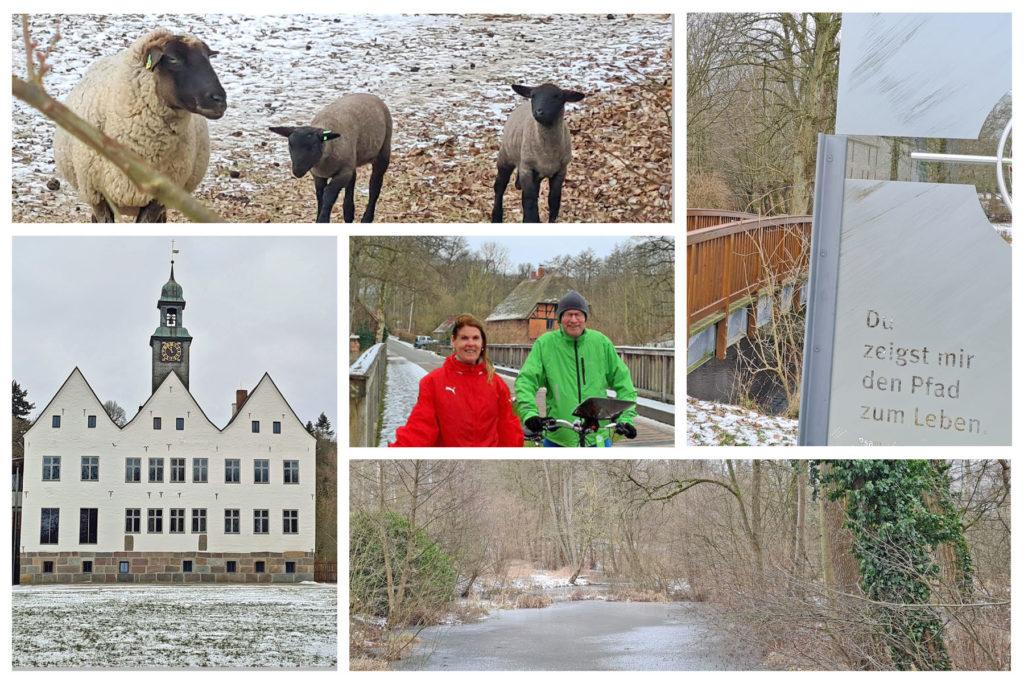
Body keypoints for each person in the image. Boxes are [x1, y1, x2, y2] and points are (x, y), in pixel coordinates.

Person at [514, 290, 638, 447]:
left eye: (578, 314)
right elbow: (526, 380)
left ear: (585, 317)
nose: (573, 320)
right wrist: (530, 414)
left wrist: (625, 419)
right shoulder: (545, 344)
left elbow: (624, 383)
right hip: (559, 436)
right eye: (568, 314)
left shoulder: (601, 343)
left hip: (597, 435)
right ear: (560, 318)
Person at [391, 314, 523, 447]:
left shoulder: (497, 384)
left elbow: (509, 429)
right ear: (453, 341)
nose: (470, 343)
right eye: (464, 338)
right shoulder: (433, 383)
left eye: (475, 338)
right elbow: (419, 429)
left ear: (482, 343)